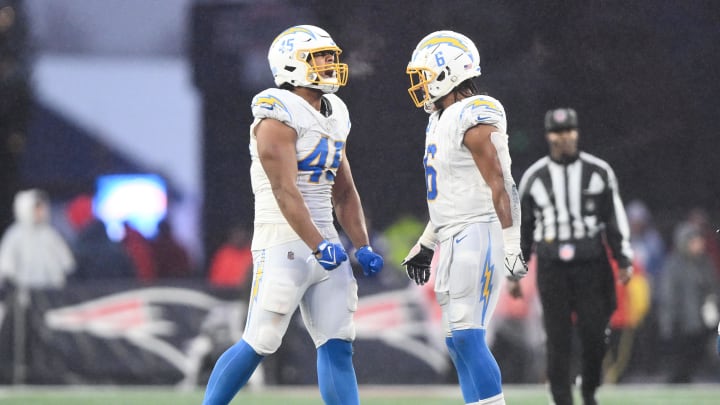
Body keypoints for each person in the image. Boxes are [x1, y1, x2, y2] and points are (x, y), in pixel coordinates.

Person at [201, 25, 384, 405]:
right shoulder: (275, 112)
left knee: (338, 343)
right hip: (284, 240)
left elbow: (344, 189)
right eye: (320, 57)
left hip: (326, 242)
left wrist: (361, 244)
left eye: (331, 56)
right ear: (290, 63)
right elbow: (286, 189)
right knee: (260, 340)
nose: (331, 63)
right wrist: (318, 243)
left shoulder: (335, 113)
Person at [400, 31, 528, 405]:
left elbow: (502, 183)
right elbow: (447, 198)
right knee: (456, 342)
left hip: (479, 232)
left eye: (425, 74)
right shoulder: (440, 118)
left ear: (448, 72)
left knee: (470, 337)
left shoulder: (476, 112)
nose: (421, 84)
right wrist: (427, 243)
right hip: (455, 233)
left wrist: (511, 245)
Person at [518, 107, 634, 405]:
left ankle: (589, 389)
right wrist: (515, 273)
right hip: (552, 265)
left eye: (569, 130)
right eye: (557, 132)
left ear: (577, 132)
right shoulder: (534, 177)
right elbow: (524, 230)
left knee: (595, 335)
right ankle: (561, 400)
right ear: (548, 136)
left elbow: (614, 218)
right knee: (557, 339)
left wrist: (623, 258)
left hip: (590, 263)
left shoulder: (599, 172)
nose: (564, 137)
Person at [657, 222, 719, 383]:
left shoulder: (704, 263)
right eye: (695, 241)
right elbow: (668, 296)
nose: (700, 245)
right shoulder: (674, 265)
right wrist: (668, 323)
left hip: (701, 322)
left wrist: (712, 305)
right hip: (680, 323)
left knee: (696, 358)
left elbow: (712, 288)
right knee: (679, 362)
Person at [0, 188, 75, 289]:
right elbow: (6, 264)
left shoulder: (50, 234)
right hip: (25, 290)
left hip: (52, 289)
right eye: (36, 209)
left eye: (41, 208)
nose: (40, 212)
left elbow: (66, 262)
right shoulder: (15, 235)